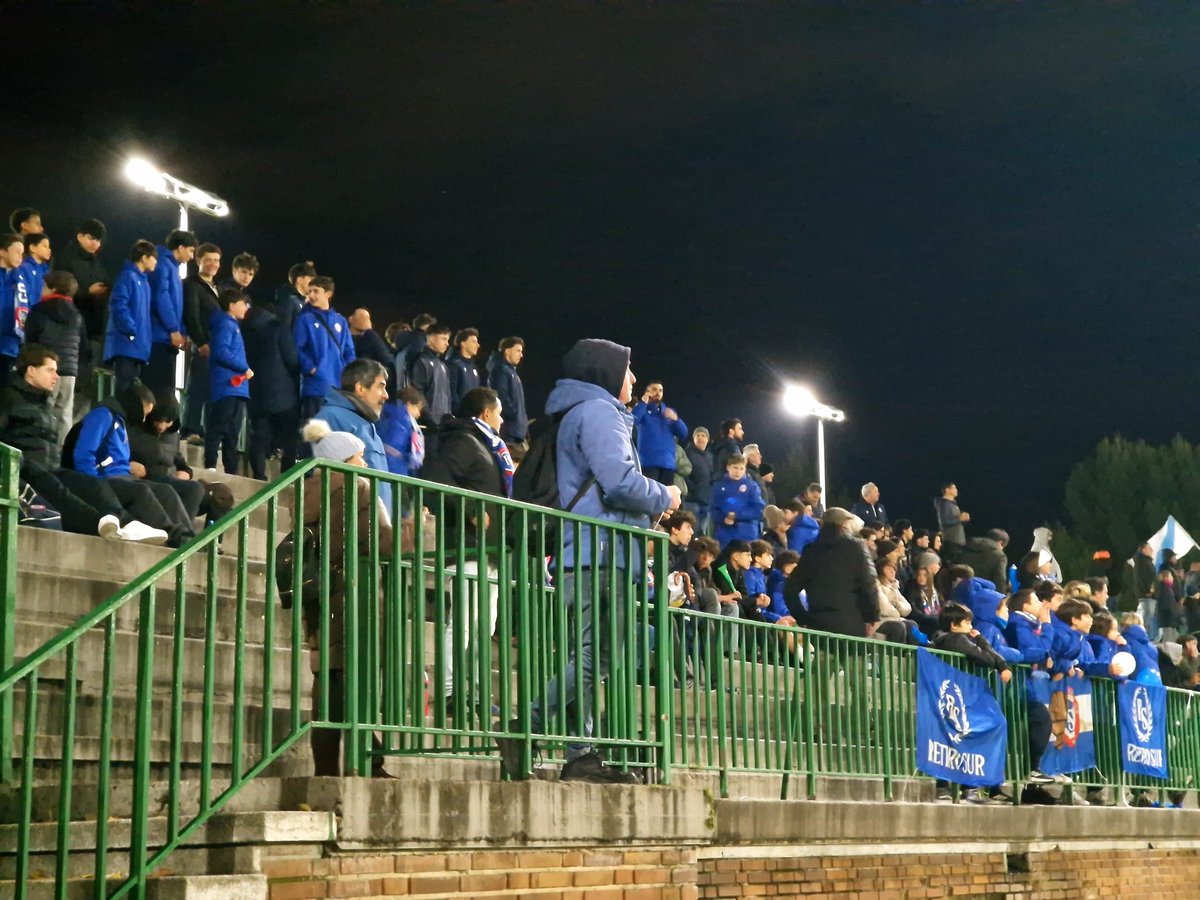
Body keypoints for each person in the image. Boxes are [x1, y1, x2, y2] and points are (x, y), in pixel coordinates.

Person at [497, 338, 679, 785]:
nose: (633, 378)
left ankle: (581, 755)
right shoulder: (599, 412)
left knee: (586, 654)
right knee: (597, 657)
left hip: (587, 551)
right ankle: (526, 728)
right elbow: (619, 482)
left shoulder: (581, 411)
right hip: (604, 553)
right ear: (604, 372)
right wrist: (665, 494)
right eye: (628, 369)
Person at [297, 419, 393, 777]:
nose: (365, 464)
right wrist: (416, 530)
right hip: (354, 597)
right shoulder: (355, 489)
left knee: (330, 683)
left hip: (323, 598)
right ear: (343, 461)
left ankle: (330, 768)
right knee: (356, 681)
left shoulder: (312, 493)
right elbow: (373, 541)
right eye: (359, 457)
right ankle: (368, 762)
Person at [0, 344, 166, 543]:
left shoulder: (45, 406)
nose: (56, 377)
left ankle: (126, 524)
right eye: (50, 370)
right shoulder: (8, 398)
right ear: (31, 371)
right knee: (60, 491)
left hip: (51, 468)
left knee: (92, 485)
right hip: (24, 468)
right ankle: (99, 523)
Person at [420, 386, 514, 720]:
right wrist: (470, 508)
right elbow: (432, 484)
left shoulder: (487, 445)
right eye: (499, 412)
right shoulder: (464, 440)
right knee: (461, 623)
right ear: (486, 413)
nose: (503, 420)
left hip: (489, 550)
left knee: (482, 627)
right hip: (468, 547)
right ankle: (447, 690)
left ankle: (471, 690)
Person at [64, 379, 195, 547]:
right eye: (144, 413)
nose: (143, 419)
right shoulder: (102, 415)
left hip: (123, 477)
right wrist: (93, 483)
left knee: (166, 491)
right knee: (142, 491)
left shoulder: (120, 421)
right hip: (104, 480)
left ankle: (190, 535)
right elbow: (84, 453)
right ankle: (176, 537)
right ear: (136, 404)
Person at [931, 603, 1012, 804]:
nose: (970, 625)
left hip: (957, 695)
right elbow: (985, 658)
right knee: (960, 737)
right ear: (954, 625)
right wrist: (982, 642)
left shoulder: (954, 638)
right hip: (956, 697)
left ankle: (967, 786)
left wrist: (1001, 663)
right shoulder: (956, 639)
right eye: (966, 621)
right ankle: (964, 787)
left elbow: (991, 657)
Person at [128, 396, 234, 526]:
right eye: (159, 421)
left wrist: (186, 472)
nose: (162, 426)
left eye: (167, 422)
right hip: (153, 482)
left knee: (222, 496)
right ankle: (184, 533)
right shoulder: (134, 432)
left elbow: (180, 463)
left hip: (175, 483)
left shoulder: (172, 436)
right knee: (194, 489)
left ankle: (212, 543)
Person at [784, 507, 878, 637]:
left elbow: (789, 589)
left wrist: (803, 619)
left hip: (818, 627)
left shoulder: (810, 551)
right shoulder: (856, 547)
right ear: (844, 524)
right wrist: (871, 618)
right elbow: (869, 585)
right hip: (852, 626)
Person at [310, 358, 391, 508]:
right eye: (381, 387)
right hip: (348, 525)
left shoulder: (367, 425)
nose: (386, 395)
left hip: (373, 523)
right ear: (360, 388)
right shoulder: (329, 417)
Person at [24, 270, 88, 449]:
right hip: (70, 372)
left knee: (43, 410)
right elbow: (84, 346)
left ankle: (43, 451)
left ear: (52, 288)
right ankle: (61, 455)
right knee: (65, 415)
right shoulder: (77, 315)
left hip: (44, 368)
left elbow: (31, 340)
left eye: (44, 286)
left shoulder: (38, 310)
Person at [241, 290, 300, 480]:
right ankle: (287, 477)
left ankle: (258, 475)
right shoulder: (279, 327)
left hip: (256, 392)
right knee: (290, 436)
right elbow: (291, 358)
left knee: (260, 436)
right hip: (284, 394)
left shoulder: (245, 330)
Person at [1004, 589, 1060, 785]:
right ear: (1025, 606)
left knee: (1040, 719)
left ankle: (1034, 769)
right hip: (1015, 686)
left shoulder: (1026, 623)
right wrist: (1047, 626)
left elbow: (1044, 650)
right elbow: (1033, 650)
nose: (1041, 605)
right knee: (1040, 718)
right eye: (1036, 600)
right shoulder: (1018, 623)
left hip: (1024, 685)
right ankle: (1031, 769)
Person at [143, 230, 196, 401]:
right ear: (180, 248)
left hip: (166, 338)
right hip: (158, 338)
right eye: (191, 250)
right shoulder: (163, 265)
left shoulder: (171, 267)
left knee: (165, 389)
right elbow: (162, 298)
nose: (192, 256)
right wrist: (174, 329)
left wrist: (181, 330)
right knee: (158, 390)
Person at [295, 275, 355, 423]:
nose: (311, 295)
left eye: (316, 291)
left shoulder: (340, 320)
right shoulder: (304, 319)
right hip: (315, 388)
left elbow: (349, 351)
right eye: (309, 292)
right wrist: (311, 368)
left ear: (328, 293)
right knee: (314, 435)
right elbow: (297, 348)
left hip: (339, 389)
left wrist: (347, 373)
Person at [205, 289, 253, 473]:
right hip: (226, 386)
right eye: (242, 303)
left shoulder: (232, 325)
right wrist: (244, 367)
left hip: (237, 388)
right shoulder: (224, 324)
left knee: (233, 430)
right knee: (219, 425)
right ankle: (211, 464)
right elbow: (221, 351)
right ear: (232, 305)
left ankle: (231, 469)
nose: (246, 307)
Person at [180, 242, 222, 442]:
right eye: (208, 260)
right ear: (198, 261)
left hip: (217, 347)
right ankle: (190, 429)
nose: (213, 264)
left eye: (216, 260)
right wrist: (201, 342)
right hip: (203, 346)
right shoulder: (192, 285)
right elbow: (192, 316)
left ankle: (206, 432)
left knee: (212, 391)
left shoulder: (216, 288)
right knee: (197, 388)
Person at [103, 241, 158, 391]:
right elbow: (118, 304)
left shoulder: (144, 282)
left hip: (137, 346)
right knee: (123, 389)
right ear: (144, 258)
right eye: (154, 257)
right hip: (126, 344)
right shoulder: (128, 276)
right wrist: (131, 330)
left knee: (132, 391)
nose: (156, 262)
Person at [52, 219, 110, 357]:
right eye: (91, 238)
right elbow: (58, 291)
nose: (95, 244)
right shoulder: (64, 258)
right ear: (80, 236)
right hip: (67, 325)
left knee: (87, 373)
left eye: (98, 241)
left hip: (92, 330)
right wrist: (87, 292)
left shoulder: (97, 263)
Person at [632, 381, 689, 486]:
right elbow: (632, 420)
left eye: (660, 390)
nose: (658, 392)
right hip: (648, 463)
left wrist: (676, 420)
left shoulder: (668, 412)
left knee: (666, 500)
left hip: (668, 465)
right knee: (650, 500)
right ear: (647, 392)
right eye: (654, 389)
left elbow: (684, 434)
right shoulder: (642, 410)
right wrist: (643, 403)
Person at [711, 454, 765, 549]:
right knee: (723, 563)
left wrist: (737, 515)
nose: (738, 472)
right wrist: (723, 518)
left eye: (741, 468)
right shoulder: (719, 486)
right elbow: (713, 509)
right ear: (728, 467)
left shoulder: (752, 486)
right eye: (735, 468)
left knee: (745, 561)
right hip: (725, 534)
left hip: (747, 533)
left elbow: (758, 509)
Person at [486, 336, 528, 458]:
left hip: (516, 430)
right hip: (508, 430)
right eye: (518, 351)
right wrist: (513, 415)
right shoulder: (501, 370)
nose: (521, 355)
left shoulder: (511, 371)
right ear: (507, 351)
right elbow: (501, 396)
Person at [0, 233, 32, 387]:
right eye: (16, 251)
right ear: (2, 251)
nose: (20, 257)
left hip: (10, 347)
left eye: (22, 253)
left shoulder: (22, 280)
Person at [408, 322, 452, 427]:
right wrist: (428, 418)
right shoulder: (421, 362)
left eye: (447, 340)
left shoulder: (442, 365)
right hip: (428, 425)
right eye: (443, 339)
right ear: (431, 339)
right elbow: (417, 392)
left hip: (442, 423)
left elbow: (447, 395)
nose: (447, 344)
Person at [378, 385, 425, 477]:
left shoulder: (384, 415)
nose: (418, 414)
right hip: (394, 471)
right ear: (409, 404)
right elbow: (392, 450)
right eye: (417, 408)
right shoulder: (403, 422)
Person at [348, 307, 395, 383]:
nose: (366, 320)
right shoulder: (344, 338)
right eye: (362, 316)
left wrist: (369, 331)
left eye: (368, 317)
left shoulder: (372, 339)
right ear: (351, 319)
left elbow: (387, 360)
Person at [684, 427, 713, 534]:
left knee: (702, 533)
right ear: (693, 438)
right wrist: (692, 488)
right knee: (692, 530)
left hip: (706, 501)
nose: (700, 438)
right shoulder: (688, 453)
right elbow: (684, 474)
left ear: (707, 439)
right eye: (698, 435)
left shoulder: (709, 457)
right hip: (692, 500)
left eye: (703, 435)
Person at [447, 327, 482, 413]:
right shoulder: (454, 365)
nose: (478, 345)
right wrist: (459, 411)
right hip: (461, 416)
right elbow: (452, 391)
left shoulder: (473, 367)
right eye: (474, 341)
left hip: (472, 415)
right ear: (463, 344)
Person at [274, 261, 316, 331]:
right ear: (299, 280)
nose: (313, 285)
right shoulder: (288, 300)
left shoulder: (305, 302)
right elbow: (284, 329)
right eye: (310, 280)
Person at [19, 232, 52, 308]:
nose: (49, 250)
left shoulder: (46, 269)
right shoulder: (24, 267)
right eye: (45, 246)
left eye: (49, 247)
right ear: (32, 248)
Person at [934, 482, 969, 550]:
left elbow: (957, 522)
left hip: (958, 541)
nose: (956, 490)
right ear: (947, 490)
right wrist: (960, 519)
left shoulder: (953, 504)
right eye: (954, 488)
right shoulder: (944, 504)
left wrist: (964, 519)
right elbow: (944, 522)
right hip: (951, 542)